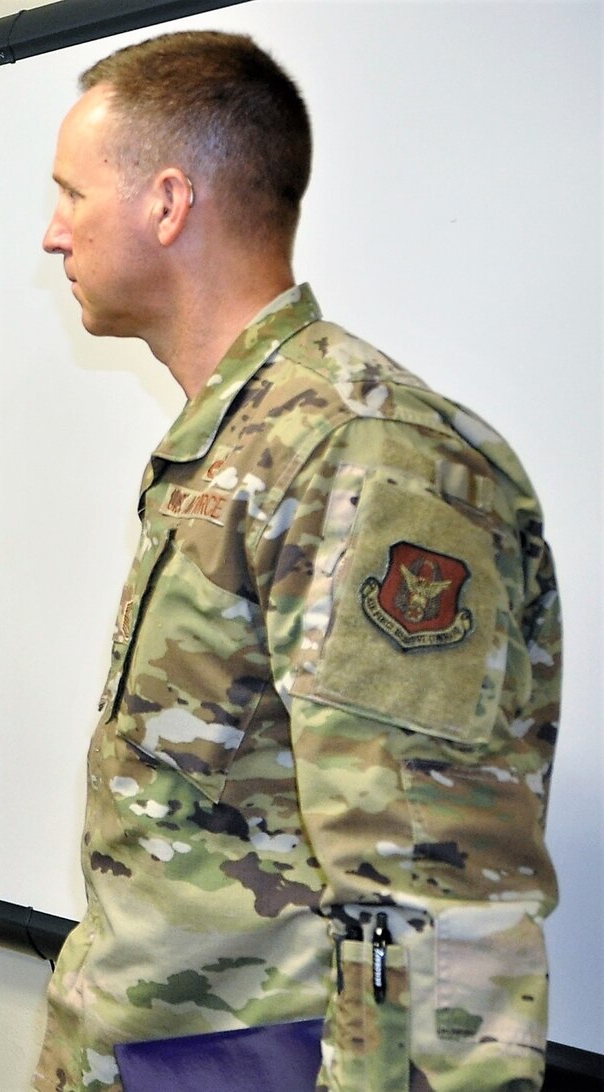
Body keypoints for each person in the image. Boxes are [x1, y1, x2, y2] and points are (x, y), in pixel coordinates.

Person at [34, 32, 560, 1091]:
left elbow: (424, 901)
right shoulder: (231, 441)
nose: (51, 235)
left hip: (252, 1064)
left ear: (167, 203)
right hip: (153, 1046)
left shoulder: (367, 453)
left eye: (70, 196)